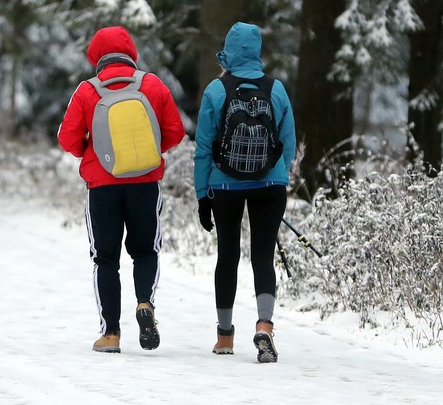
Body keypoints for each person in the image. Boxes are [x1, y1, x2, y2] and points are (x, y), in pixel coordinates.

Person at [58, 26, 185, 353]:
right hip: (145, 184)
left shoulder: (87, 91)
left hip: (102, 188)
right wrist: (149, 151)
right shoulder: (153, 85)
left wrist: (93, 149)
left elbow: (68, 140)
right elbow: (174, 131)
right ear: (131, 52)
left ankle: (111, 333)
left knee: (105, 259)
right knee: (145, 251)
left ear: (96, 57)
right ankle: (145, 303)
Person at [193, 22, 296, 363]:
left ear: (229, 51)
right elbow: (289, 143)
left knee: (228, 255)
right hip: (270, 184)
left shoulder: (215, 90)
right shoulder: (276, 89)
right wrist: (273, 173)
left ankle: (225, 336)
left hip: (225, 185)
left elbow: (204, 148)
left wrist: (202, 194)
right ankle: (264, 326)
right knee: (263, 256)